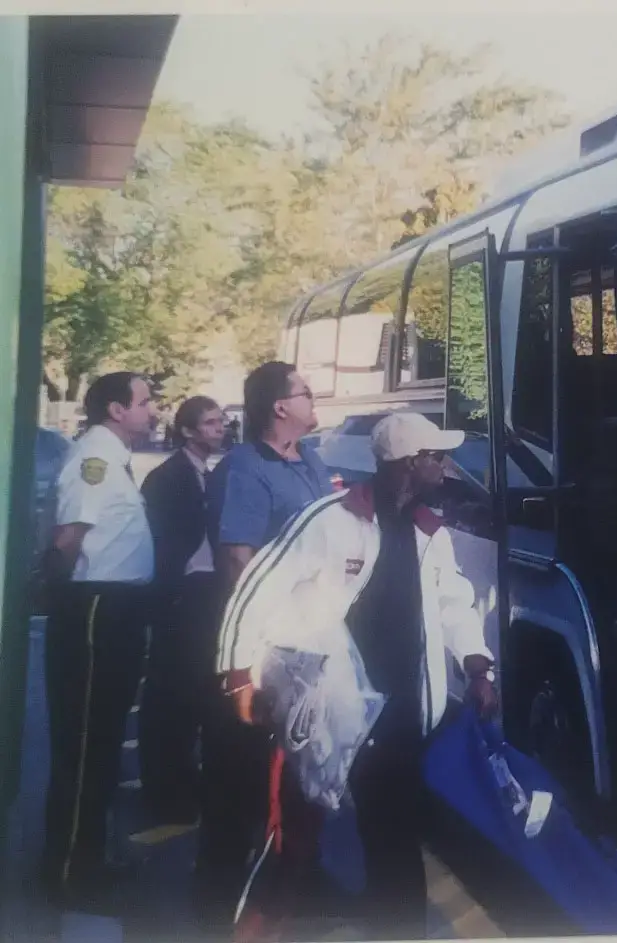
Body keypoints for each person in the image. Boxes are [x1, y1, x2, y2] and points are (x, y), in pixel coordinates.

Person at [215, 410, 497, 940]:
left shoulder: (429, 530)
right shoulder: (328, 518)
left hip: (400, 715)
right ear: (409, 463)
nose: (446, 465)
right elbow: (259, 587)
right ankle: (253, 928)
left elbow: (454, 601)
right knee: (293, 837)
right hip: (328, 713)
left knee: (394, 835)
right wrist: (239, 672)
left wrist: (477, 665)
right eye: (437, 456)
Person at [193, 361, 332, 929]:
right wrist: (267, 640)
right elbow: (237, 559)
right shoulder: (245, 468)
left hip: (309, 644)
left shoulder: (310, 458)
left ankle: (291, 887)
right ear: (280, 407)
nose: (312, 397)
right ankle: (217, 902)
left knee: (301, 776)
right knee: (242, 782)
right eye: (304, 391)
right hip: (264, 647)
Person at [39, 372, 157, 912]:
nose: (153, 410)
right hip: (93, 610)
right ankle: (67, 872)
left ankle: (86, 859)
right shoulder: (95, 458)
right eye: (145, 402)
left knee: (103, 743)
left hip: (114, 610)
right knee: (85, 746)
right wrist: (58, 601)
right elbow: (68, 539)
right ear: (116, 409)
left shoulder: (112, 457)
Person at [137, 396, 225, 824]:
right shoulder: (167, 477)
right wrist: (172, 594)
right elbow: (162, 543)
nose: (220, 428)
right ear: (188, 431)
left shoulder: (210, 475)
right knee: (171, 694)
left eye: (221, 421)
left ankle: (185, 781)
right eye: (210, 423)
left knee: (196, 692)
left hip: (206, 596)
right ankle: (164, 790)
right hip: (181, 597)